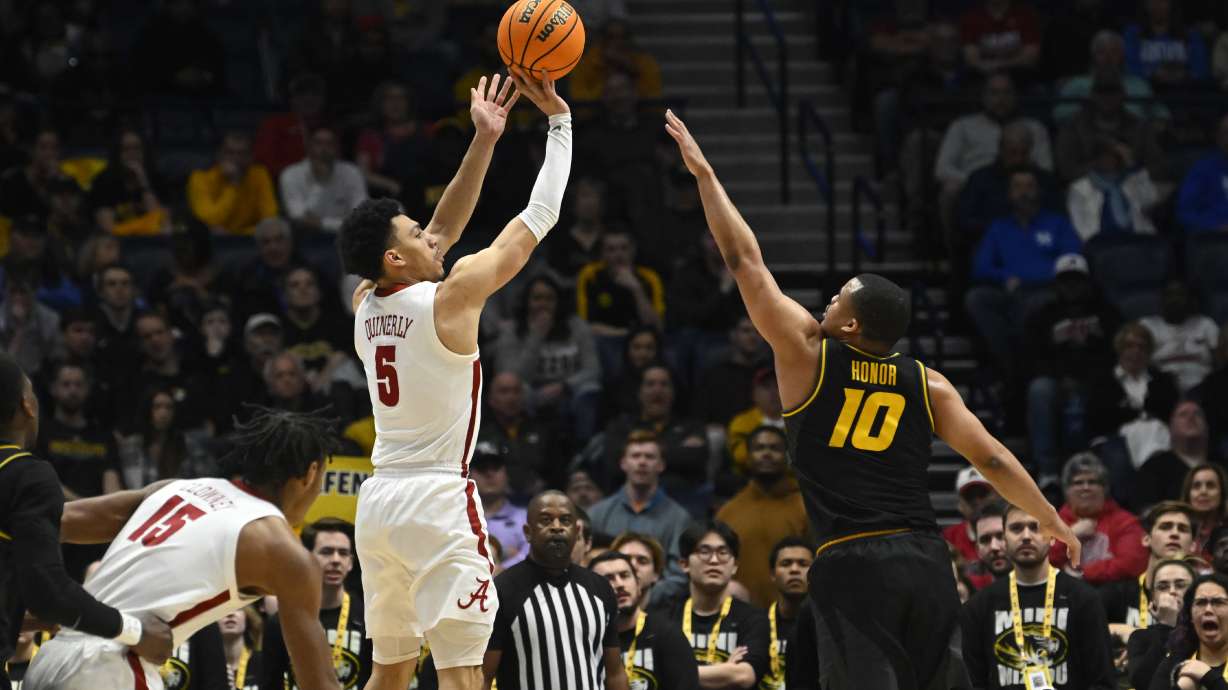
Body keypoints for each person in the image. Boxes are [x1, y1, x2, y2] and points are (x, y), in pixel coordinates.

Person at [664, 109, 1079, 690]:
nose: (829, 300)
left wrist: (705, 174)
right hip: (927, 558)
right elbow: (993, 461)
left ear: (853, 326)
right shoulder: (929, 382)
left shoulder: (808, 351)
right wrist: (1054, 522)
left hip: (852, 560)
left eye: (839, 298)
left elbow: (744, 261)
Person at [339, 70, 569, 690]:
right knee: (462, 675)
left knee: (387, 672)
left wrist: (486, 139)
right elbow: (540, 214)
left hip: (379, 502)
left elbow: (440, 230)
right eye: (414, 234)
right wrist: (560, 124)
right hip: (438, 499)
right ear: (396, 257)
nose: (430, 235)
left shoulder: (366, 299)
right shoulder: (453, 296)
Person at [23, 407, 343, 690]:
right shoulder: (284, 551)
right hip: (113, 668)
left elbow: (55, 522)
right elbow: (318, 683)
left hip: (52, 655)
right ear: (311, 473)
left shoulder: (175, 489)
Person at [0, 354, 172, 686]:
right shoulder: (26, 474)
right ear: (28, 405)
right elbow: (48, 591)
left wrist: (28, 617)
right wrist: (136, 631)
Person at [481, 491, 630, 690]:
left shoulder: (599, 588)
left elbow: (615, 675)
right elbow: (484, 676)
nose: (557, 527)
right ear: (527, 532)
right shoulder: (504, 590)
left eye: (565, 520)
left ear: (577, 531)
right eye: (546, 520)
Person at [960, 504, 1116, 690]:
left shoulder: (1084, 599)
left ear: (1052, 537)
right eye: (1016, 528)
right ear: (1005, 539)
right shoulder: (978, 607)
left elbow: (1103, 682)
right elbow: (973, 683)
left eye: (1036, 527)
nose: (1026, 536)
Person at [262, 520, 373, 689]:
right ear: (307, 558)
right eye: (327, 552)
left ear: (350, 563)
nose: (336, 560)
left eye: (343, 553)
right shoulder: (281, 621)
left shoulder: (368, 618)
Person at [664, 521, 770, 689]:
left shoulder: (754, 619)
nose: (714, 560)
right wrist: (724, 670)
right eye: (704, 552)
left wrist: (677, 673)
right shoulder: (665, 619)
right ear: (684, 564)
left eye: (723, 553)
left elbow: (744, 676)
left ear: (734, 565)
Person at [715, 426, 809, 608]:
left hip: (797, 616)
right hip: (742, 620)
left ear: (788, 457)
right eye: (759, 448)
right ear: (748, 458)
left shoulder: (805, 507)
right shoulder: (728, 512)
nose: (766, 454)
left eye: (774, 448)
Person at [589, 551, 699, 690]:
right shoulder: (589, 642)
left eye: (625, 575)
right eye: (608, 579)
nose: (619, 584)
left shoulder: (667, 634)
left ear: (638, 585)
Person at [587, 430, 692, 573]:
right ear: (623, 463)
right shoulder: (597, 514)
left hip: (658, 594)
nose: (642, 462)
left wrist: (647, 594)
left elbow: (678, 573)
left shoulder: (679, 518)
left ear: (661, 465)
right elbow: (586, 563)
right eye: (635, 456)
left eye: (649, 457)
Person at [1101, 502, 1197, 647]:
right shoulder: (1115, 594)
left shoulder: (1202, 596)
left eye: (1182, 529)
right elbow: (1085, 633)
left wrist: (1135, 635)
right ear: (1146, 539)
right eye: (1165, 527)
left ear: (1193, 546)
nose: (1174, 533)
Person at [1048, 452, 1148, 584]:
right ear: (1067, 491)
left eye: (1093, 482)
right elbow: (1041, 559)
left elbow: (1132, 563)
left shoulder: (1125, 522)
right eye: (1078, 483)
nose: (1085, 487)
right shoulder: (1052, 521)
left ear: (1105, 489)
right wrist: (1071, 535)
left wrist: (1083, 573)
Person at [279, 126, 369, 234]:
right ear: (309, 146)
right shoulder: (291, 174)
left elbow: (361, 217)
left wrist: (322, 224)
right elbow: (299, 218)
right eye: (318, 143)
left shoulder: (352, 173)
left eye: (329, 143)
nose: (324, 149)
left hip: (346, 237)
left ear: (337, 147)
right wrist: (320, 183)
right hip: (307, 238)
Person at [186, 131, 279, 236]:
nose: (235, 159)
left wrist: (238, 234)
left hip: (251, 240)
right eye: (230, 153)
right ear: (219, 155)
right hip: (212, 242)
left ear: (251, 156)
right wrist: (233, 185)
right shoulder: (200, 178)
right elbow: (209, 220)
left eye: (242, 153)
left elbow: (270, 219)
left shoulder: (260, 174)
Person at [1146, 573, 1228, 690]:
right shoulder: (1174, 663)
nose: (1208, 610)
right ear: (1190, 616)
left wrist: (1208, 676)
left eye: (1218, 602)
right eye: (1201, 603)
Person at [1126, 558, 1197, 690]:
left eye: (1181, 585)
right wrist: (1166, 625)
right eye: (1162, 587)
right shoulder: (1141, 637)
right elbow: (1143, 684)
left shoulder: (1207, 633)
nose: (1172, 591)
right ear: (1153, 598)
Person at [763, 537, 814, 690]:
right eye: (786, 564)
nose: (794, 570)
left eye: (803, 564)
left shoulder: (825, 629)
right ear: (772, 574)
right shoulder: (755, 623)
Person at [943, 466, 1002, 567]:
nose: (977, 501)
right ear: (960, 505)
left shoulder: (1010, 530)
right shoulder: (949, 537)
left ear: (996, 496)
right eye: (969, 496)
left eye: (982, 494)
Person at [611, 532, 668, 609]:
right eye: (625, 559)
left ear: (656, 573)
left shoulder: (671, 619)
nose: (633, 566)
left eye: (642, 561)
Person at [1184, 465, 1228, 558]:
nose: (1203, 491)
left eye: (1210, 485)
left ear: (1222, 493)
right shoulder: (1176, 528)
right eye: (1196, 486)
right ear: (1188, 494)